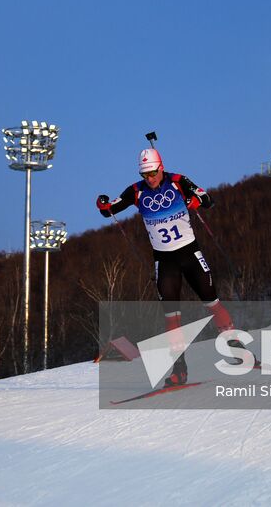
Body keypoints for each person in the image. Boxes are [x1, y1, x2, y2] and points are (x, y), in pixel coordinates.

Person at [96, 146, 235, 386]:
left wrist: (194, 200)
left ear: (161, 167)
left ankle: (236, 347)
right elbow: (110, 211)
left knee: (211, 300)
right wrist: (103, 203)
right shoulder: (136, 191)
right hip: (165, 260)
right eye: (145, 174)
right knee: (171, 317)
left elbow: (208, 199)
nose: (149, 178)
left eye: (152, 173)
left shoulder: (178, 181)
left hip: (189, 253)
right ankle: (179, 369)